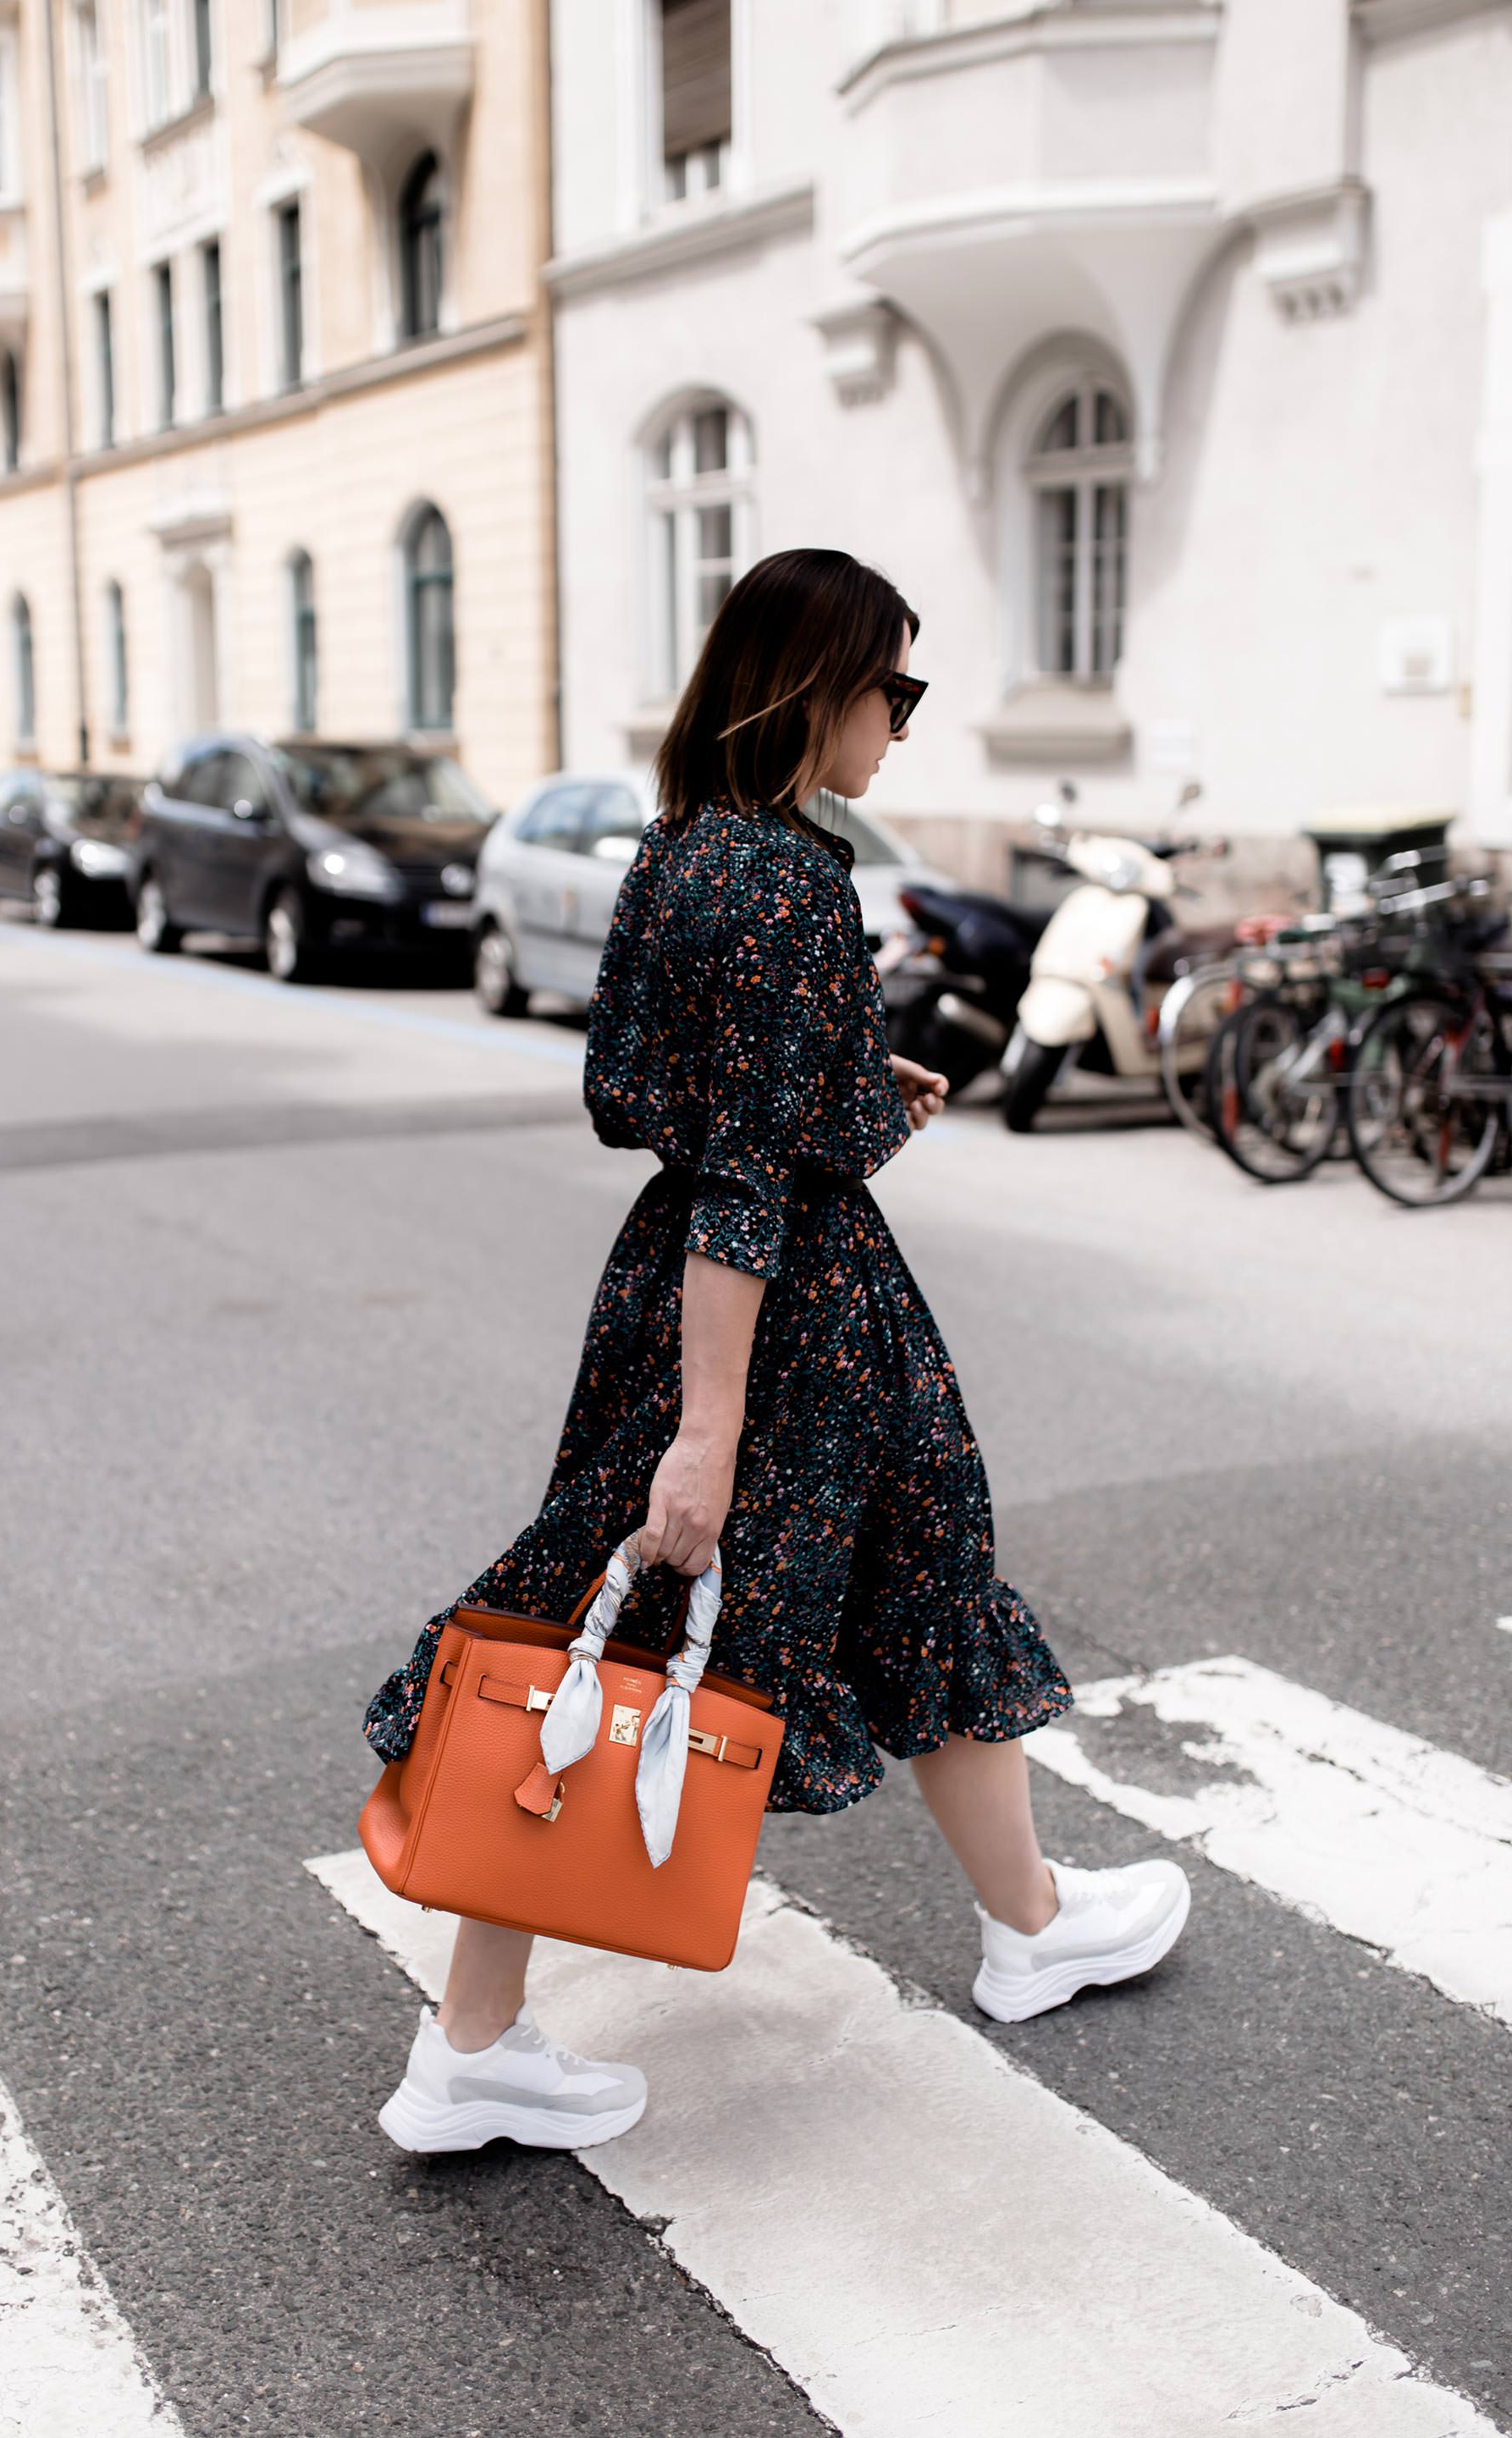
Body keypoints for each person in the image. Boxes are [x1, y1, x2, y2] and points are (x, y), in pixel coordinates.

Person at [364, 549, 1189, 2156]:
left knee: (909, 1569)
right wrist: (711, 1432)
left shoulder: (684, 851)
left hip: (696, 1284)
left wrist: (836, 1076)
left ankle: (1027, 1920)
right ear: (814, 687)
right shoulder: (789, 880)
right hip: (781, 1315)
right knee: (618, 1613)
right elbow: (745, 1173)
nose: (905, 720)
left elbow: (638, 1090)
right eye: (896, 686)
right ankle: (469, 2050)